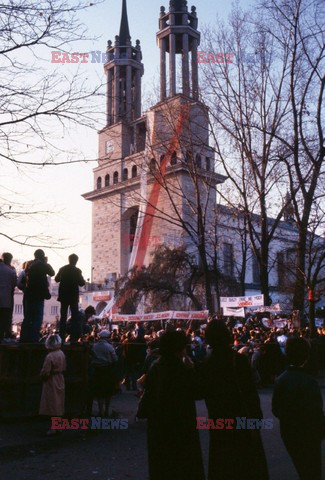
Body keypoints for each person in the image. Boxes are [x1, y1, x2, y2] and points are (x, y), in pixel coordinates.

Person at [199, 320, 269, 480]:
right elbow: (249, 392)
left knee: (222, 462)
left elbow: (201, 392)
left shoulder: (206, 363)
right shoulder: (238, 360)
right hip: (241, 418)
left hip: (218, 419)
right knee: (246, 462)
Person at [144, 330, 205, 480]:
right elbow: (197, 392)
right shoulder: (181, 368)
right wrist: (191, 370)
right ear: (180, 348)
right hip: (181, 424)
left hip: (158, 425)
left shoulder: (156, 366)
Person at [272, 337, 325, 480]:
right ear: (306, 356)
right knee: (313, 470)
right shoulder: (309, 381)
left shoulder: (280, 379)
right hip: (309, 433)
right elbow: (316, 411)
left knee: (302, 468)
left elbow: (276, 409)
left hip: (289, 432)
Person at [21, 250, 55, 343]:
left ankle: (24, 338)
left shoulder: (29, 264)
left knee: (28, 317)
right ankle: (34, 338)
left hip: (29, 293)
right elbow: (52, 273)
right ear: (42, 256)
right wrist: (45, 263)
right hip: (39, 294)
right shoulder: (43, 265)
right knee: (37, 317)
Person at [39, 334, 66, 435]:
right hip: (60, 378)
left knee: (52, 403)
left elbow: (45, 371)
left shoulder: (50, 356)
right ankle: (59, 426)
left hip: (51, 380)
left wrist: (42, 377)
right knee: (59, 402)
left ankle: (53, 428)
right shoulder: (61, 353)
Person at [55, 254, 85, 343]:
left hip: (63, 296)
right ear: (76, 261)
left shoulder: (62, 269)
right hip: (73, 297)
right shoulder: (77, 271)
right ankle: (73, 338)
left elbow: (56, 279)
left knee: (63, 317)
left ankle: (61, 337)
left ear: (69, 260)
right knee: (74, 317)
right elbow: (82, 283)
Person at [88, 330, 118, 417]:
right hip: (108, 370)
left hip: (97, 371)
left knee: (100, 392)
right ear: (107, 337)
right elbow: (115, 359)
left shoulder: (94, 346)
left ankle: (100, 411)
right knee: (108, 392)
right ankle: (107, 410)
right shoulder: (109, 347)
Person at [0, 253, 17, 341]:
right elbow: (15, 283)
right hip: (6, 297)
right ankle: (5, 335)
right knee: (6, 317)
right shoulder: (10, 270)